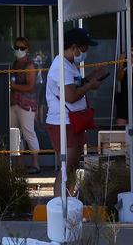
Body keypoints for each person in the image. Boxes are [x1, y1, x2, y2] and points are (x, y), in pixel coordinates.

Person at [45, 27, 106, 197]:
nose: (85, 53)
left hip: (73, 121)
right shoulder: (60, 67)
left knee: (72, 167)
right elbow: (70, 96)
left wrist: (90, 77)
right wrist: (90, 85)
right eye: (84, 49)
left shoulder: (69, 64)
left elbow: (75, 86)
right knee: (67, 167)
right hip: (63, 122)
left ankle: (67, 201)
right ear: (73, 47)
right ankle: (60, 204)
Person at [9, 36, 41, 174]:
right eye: (16, 47)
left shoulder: (30, 65)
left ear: (27, 49)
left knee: (29, 133)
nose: (19, 50)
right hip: (13, 103)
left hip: (27, 104)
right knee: (14, 134)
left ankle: (36, 164)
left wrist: (13, 86)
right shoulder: (13, 64)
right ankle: (19, 164)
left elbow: (30, 86)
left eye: (22, 48)